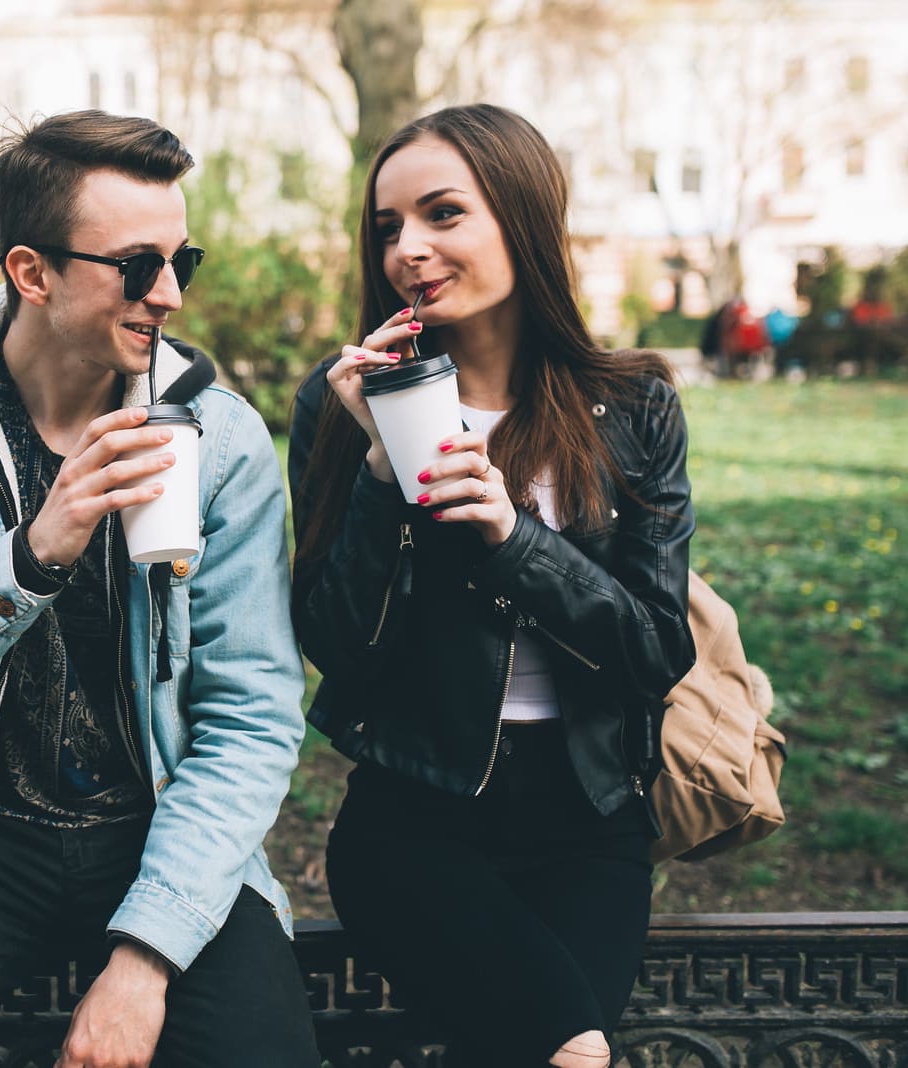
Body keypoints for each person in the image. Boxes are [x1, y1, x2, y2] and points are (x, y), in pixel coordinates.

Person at [0, 109, 319, 1068]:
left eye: (183, 261)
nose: (169, 294)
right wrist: (30, 557)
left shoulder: (220, 442)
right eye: (136, 265)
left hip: (165, 822)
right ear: (31, 272)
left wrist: (147, 956)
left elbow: (252, 717)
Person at [288, 103, 696, 1067]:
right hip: (415, 825)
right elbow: (337, 648)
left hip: (589, 819)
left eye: (442, 214)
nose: (408, 250)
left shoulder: (631, 404)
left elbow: (655, 652)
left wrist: (515, 538)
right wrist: (386, 476)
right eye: (388, 228)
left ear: (520, 217)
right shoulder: (340, 400)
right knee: (571, 1050)